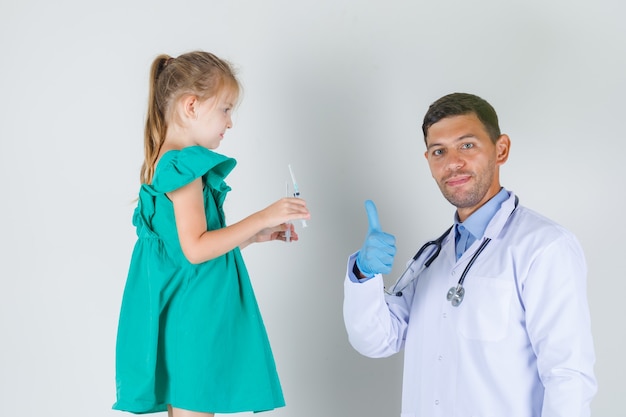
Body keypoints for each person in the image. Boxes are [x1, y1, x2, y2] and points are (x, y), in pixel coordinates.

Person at [343, 92, 597, 417]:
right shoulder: (431, 257)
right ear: (429, 162)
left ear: (500, 149)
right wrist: (364, 274)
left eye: (467, 145)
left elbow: (568, 376)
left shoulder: (544, 246)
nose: (452, 163)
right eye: (439, 151)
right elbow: (377, 341)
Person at [113, 51, 310, 417]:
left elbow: (180, 246)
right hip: (195, 317)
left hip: (187, 313)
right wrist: (263, 214)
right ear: (191, 106)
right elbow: (195, 249)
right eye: (225, 109)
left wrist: (254, 235)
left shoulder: (166, 159)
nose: (230, 122)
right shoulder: (182, 163)